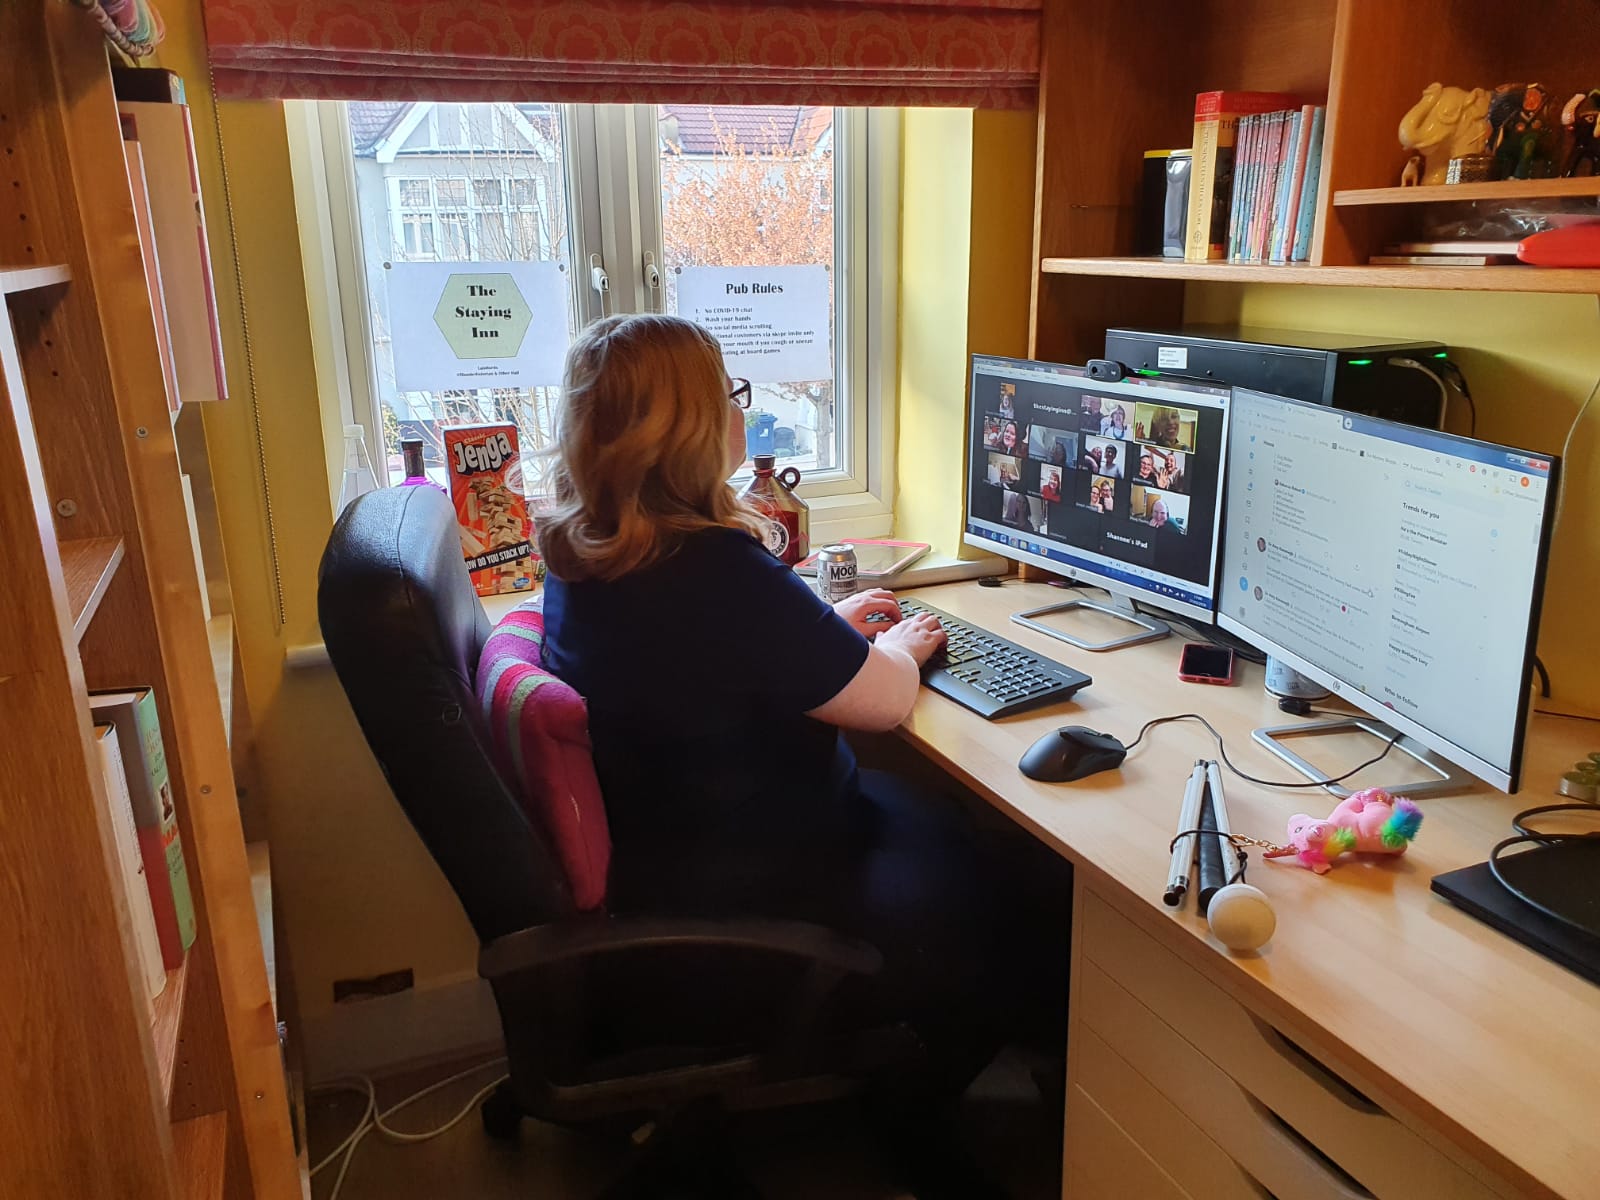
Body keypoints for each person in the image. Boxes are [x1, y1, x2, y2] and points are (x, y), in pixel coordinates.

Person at [539, 315, 1062, 1197]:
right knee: (1025, 899)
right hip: (760, 885)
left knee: (961, 836)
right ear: (695, 430)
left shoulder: (583, 547)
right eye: (731, 395)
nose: (743, 410)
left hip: (680, 857)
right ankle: (916, 1115)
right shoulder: (716, 570)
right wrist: (904, 647)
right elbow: (885, 702)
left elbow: (726, 662)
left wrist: (834, 634)